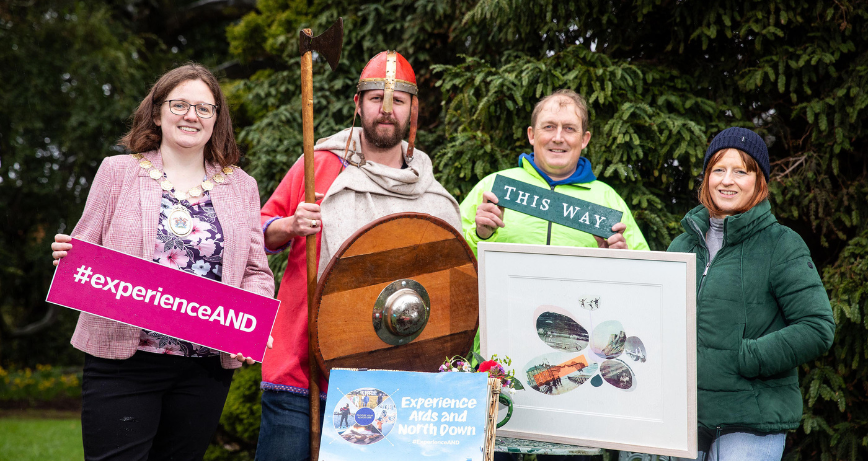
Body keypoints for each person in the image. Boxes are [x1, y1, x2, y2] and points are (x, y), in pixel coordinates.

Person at [49, 63, 274, 461]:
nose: (192, 115)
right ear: (157, 112)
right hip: (122, 359)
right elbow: (84, 252)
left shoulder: (242, 185)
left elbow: (256, 271)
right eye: (180, 105)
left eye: (204, 108)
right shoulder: (116, 172)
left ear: (216, 118)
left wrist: (249, 327)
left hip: (204, 369)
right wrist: (68, 256)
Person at [257, 50, 461, 461]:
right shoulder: (318, 166)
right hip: (299, 371)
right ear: (358, 104)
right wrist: (290, 225)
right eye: (375, 99)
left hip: (387, 379)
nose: (386, 111)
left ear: (412, 110)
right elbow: (258, 232)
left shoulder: (430, 194)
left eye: (398, 101)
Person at [461, 89, 649, 461]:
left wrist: (622, 258)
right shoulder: (494, 188)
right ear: (532, 135)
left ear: (585, 139)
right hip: (497, 361)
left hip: (576, 367)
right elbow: (451, 260)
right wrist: (478, 234)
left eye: (569, 128)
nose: (558, 137)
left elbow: (643, 281)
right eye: (548, 127)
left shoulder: (606, 200)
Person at [669, 127, 835, 461]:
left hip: (751, 420)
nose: (727, 180)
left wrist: (748, 356)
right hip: (685, 419)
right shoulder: (683, 244)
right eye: (718, 169)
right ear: (706, 178)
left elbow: (818, 327)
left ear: (759, 181)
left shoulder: (781, 244)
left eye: (740, 171)